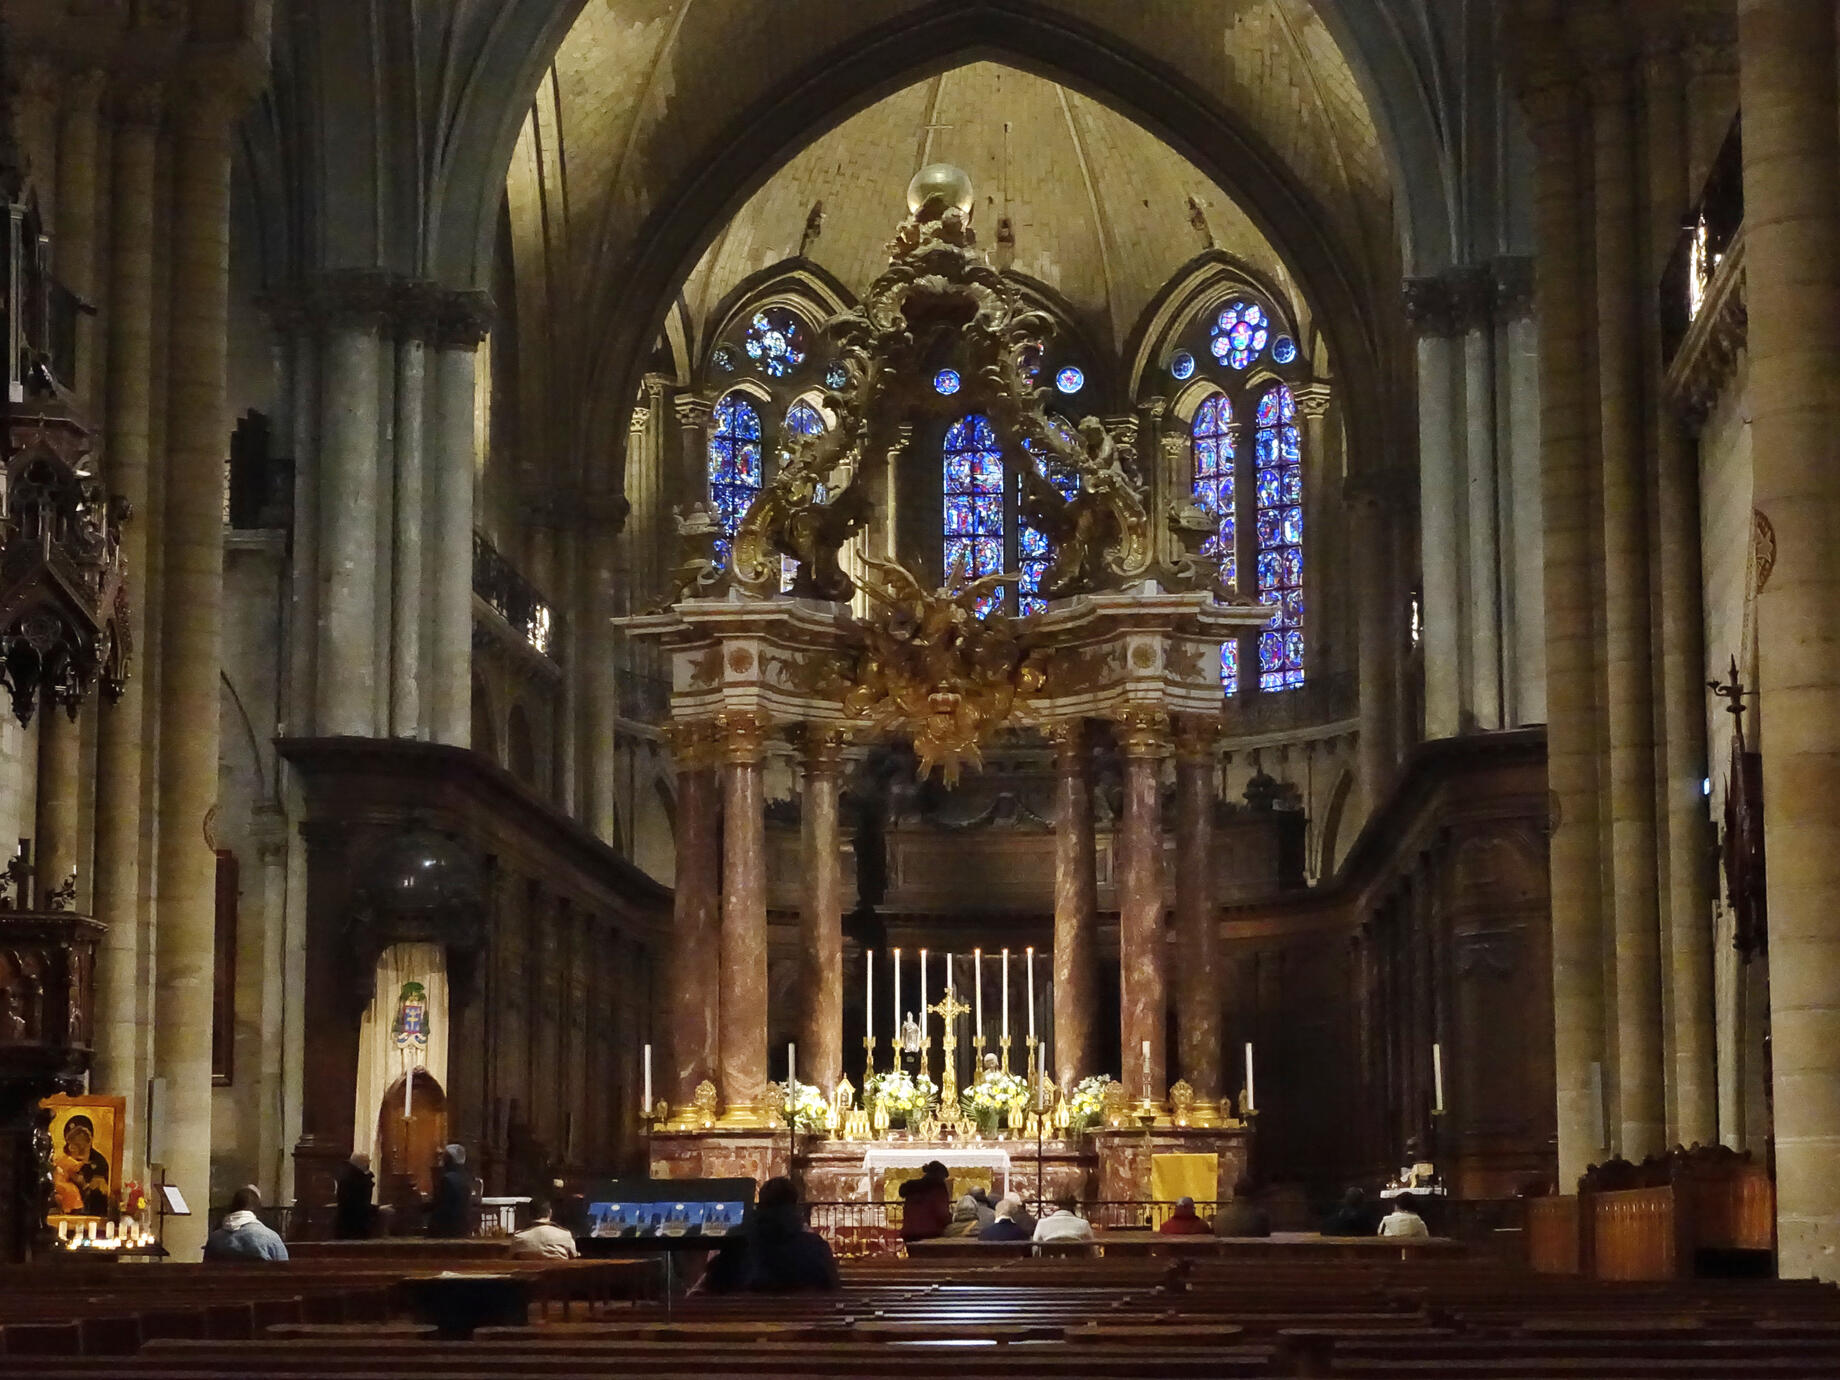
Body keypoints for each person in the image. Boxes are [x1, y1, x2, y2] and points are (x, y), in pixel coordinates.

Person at [700, 1176, 839, 1293]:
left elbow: (713, 1284)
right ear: (795, 1206)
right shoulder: (815, 1247)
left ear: (760, 1205)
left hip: (741, 1320)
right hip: (805, 1320)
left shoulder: (735, 1246)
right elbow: (831, 1286)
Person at [203, 1186, 289, 1261]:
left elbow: (206, 1270)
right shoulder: (270, 1237)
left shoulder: (215, 1239)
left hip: (223, 1280)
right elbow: (284, 1268)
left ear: (232, 1207)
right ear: (257, 1209)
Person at [52, 1115, 111, 1217]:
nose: (73, 1147)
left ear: (89, 1140)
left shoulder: (99, 1162)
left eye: (80, 1139)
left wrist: (85, 1185)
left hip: (91, 1212)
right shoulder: (65, 1158)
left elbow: (100, 1189)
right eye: (72, 1142)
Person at [898, 1160, 952, 1242]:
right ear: (940, 1175)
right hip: (931, 1233)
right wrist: (950, 1222)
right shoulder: (938, 1187)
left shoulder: (912, 1186)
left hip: (910, 1233)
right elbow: (941, 1211)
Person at [426, 1143, 473, 1237]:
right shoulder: (466, 1178)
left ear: (449, 1159)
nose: (442, 1161)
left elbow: (441, 1207)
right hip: (462, 1229)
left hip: (447, 1231)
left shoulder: (447, 1179)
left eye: (444, 1157)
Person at [511, 1198, 580, 1258]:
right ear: (550, 1213)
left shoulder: (519, 1237)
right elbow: (575, 1256)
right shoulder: (564, 1235)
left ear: (529, 1214)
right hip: (557, 1273)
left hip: (527, 1273)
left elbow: (509, 1258)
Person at [333, 1152, 375, 1239]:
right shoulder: (353, 1178)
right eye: (367, 1162)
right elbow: (356, 1204)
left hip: (346, 1224)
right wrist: (376, 1209)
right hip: (352, 1225)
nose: (368, 1165)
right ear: (362, 1163)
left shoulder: (348, 1174)